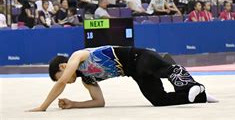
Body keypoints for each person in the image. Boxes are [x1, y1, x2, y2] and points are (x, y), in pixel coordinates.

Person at [28, 46, 215, 111]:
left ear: (63, 66)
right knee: (159, 100)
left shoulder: (78, 55)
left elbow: (61, 82)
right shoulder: (86, 80)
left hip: (138, 57)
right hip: (133, 72)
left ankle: (174, 69)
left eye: (59, 76)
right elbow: (99, 102)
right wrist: (73, 103)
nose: (64, 81)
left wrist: (43, 107)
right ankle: (198, 95)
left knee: (160, 70)